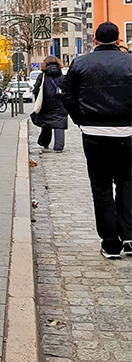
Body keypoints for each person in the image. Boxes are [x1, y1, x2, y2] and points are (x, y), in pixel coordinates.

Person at [62, 21, 132, 260]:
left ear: (94, 40)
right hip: (127, 132)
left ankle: (111, 243)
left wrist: (81, 120)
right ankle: (130, 236)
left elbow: (68, 96)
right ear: (118, 39)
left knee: (100, 186)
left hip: (94, 132)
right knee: (127, 182)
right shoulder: (130, 61)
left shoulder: (81, 62)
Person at [32, 55, 68, 152]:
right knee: (59, 124)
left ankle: (44, 142)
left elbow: (36, 90)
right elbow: (67, 91)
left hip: (45, 105)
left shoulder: (42, 76)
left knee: (46, 123)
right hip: (60, 105)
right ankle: (59, 146)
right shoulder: (62, 77)